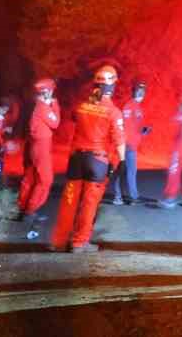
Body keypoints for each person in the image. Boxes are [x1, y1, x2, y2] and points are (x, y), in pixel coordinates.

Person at [50, 64, 125, 253]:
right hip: (97, 162)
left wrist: (93, 102)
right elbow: (119, 140)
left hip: (76, 159)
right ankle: (79, 242)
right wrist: (122, 162)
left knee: (69, 201)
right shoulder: (114, 112)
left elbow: (75, 117)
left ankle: (59, 240)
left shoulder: (82, 105)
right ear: (113, 86)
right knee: (89, 204)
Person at [18, 78, 61, 235]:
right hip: (40, 147)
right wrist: (54, 104)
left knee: (30, 177)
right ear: (48, 91)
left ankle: (23, 208)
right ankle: (30, 210)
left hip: (34, 145)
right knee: (45, 180)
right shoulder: (43, 107)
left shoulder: (34, 105)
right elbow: (55, 123)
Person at [107, 80, 150, 205]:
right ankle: (120, 196)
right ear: (134, 92)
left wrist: (143, 131)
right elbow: (125, 126)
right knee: (122, 170)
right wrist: (127, 142)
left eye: (143, 91)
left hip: (131, 144)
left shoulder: (137, 107)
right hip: (127, 144)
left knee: (130, 170)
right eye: (139, 90)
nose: (141, 93)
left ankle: (132, 196)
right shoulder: (129, 106)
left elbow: (135, 126)